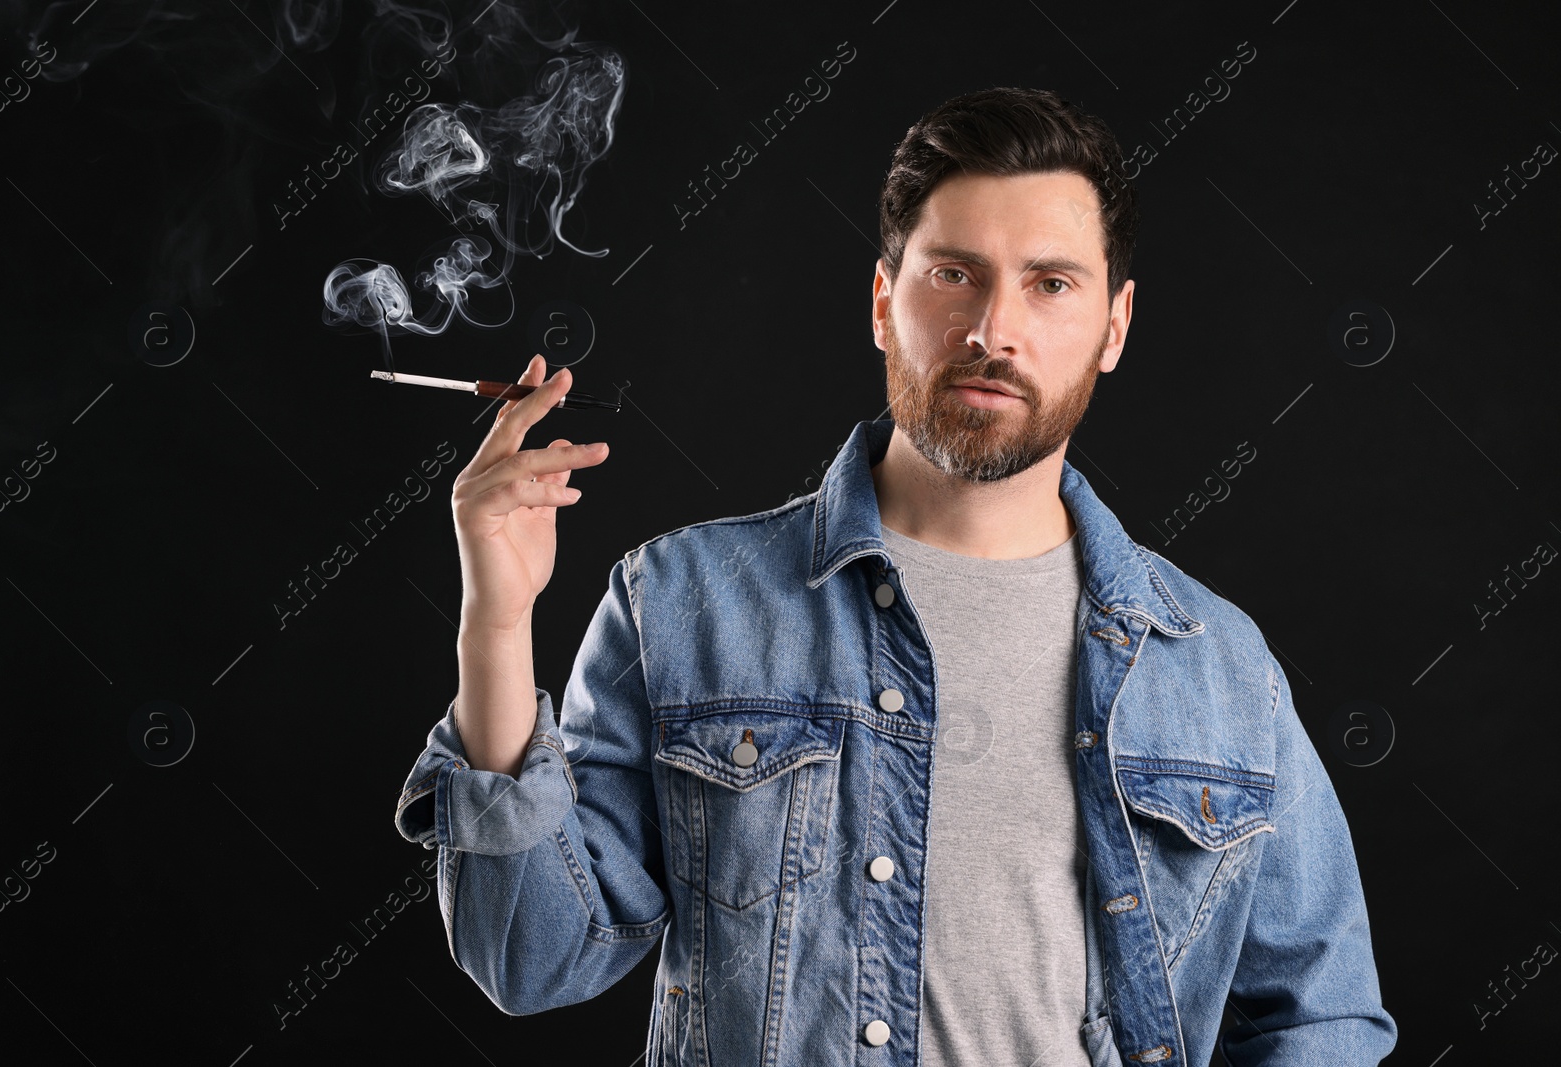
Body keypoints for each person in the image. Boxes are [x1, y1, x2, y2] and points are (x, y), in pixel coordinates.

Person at [394, 86, 1397, 1066]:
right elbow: (525, 956)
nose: (992, 329)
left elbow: (1322, 1014)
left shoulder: (1219, 668)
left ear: (1114, 326)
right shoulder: (684, 601)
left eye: (1050, 283)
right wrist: (497, 620)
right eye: (954, 273)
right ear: (883, 299)